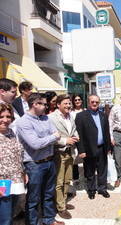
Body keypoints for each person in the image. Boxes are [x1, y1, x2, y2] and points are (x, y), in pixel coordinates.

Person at [16, 93, 64, 225]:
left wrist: (49, 138)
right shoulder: (23, 122)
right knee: (33, 198)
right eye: (43, 104)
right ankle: (33, 222)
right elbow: (35, 144)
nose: (46, 106)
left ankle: (49, 219)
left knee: (49, 194)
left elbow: (57, 135)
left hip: (49, 161)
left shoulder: (46, 119)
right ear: (34, 104)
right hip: (34, 165)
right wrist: (52, 137)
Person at [75, 95, 111, 200]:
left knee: (103, 170)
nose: (94, 104)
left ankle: (102, 189)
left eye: (97, 102)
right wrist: (81, 150)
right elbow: (79, 135)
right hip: (89, 149)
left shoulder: (103, 115)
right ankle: (91, 190)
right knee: (90, 171)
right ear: (88, 102)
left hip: (102, 147)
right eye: (92, 102)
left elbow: (106, 132)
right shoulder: (81, 116)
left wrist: (108, 147)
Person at [49, 94, 79, 219]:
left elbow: (74, 130)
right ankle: (60, 207)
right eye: (65, 103)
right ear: (58, 105)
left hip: (70, 152)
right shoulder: (51, 118)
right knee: (59, 182)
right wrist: (65, 141)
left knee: (67, 180)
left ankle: (64, 201)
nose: (68, 105)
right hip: (58, 153)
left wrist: (76, 136)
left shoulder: (70, 116)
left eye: (69, 103)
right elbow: (50, 137)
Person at [0, 103, 26, 225]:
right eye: (1, 116)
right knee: (4, 218)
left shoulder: (11, 132)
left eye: (8, 116)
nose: (5, 120)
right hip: (2, 181)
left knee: (11, 214)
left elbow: (18, 154)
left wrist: (23, 172)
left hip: (16, 179)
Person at [70, 94, 84, 183]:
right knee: (74, 157)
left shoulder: (86, 111)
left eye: (79, 99)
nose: (77, 101)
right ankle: (76, 178)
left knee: (85, 157)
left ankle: (87, 176)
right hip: (74, 137)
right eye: (75, 100)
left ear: (82, 101)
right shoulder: (70, 113)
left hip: (84, 137)